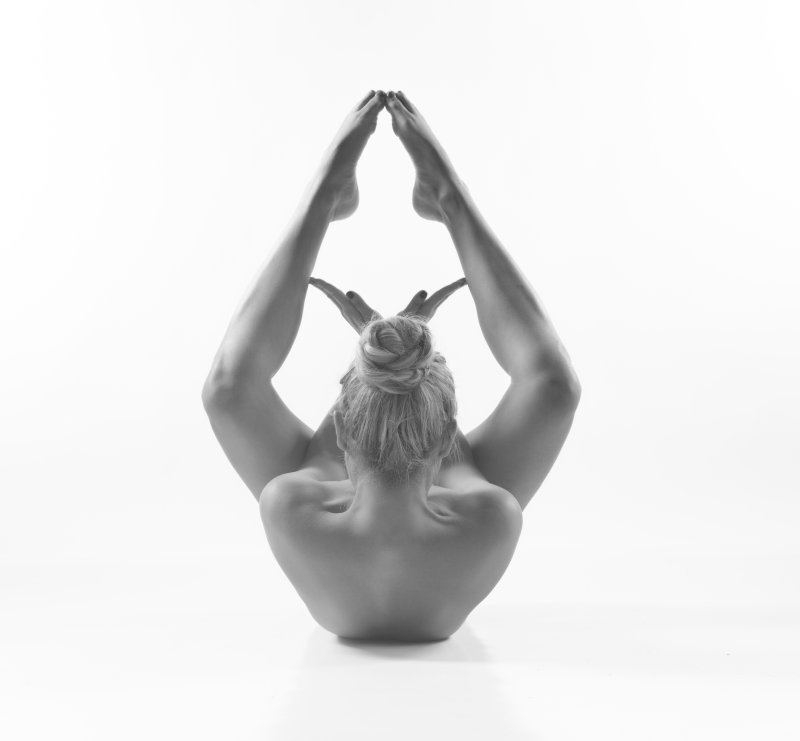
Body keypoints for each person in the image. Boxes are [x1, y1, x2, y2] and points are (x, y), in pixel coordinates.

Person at [201, 90, 581, 642]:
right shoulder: (490, 518)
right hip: (448, 534)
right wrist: (394, 363)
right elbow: (535, 392)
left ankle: (326, 198)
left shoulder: (291, 507)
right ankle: (448, 199)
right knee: (554, 389)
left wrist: (380, 356)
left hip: (337, 522)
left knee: (228, 392)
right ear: (445, 431)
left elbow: (236, 390)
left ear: (346, 425)